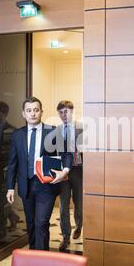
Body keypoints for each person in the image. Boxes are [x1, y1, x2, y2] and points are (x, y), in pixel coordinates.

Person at [6, 96, 72, 251]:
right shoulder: (17, 135)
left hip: (46, 185)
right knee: (30, 223)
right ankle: (34, 256)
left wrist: (65, 172)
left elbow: (67, 154)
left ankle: (41, 260)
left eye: (36, 110)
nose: (33, 114)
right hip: (26, 186)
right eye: (29, 110)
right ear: (23, 113)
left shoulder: (53, 132)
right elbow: (12, 163)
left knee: (41, 222)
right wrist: (10, 187)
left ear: (41, 112)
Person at [56, 100, 83, 251]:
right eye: (60, 112)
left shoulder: (82, 128)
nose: (64, 115)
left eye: (66, 111)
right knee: (63, 206)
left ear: (72, 111)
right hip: (63, 172)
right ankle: (65, 235)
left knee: (79, 204)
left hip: (79, 170)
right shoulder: (57, 130)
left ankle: (79, 226)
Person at [0, 101, 19, 241]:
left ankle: (1, 228)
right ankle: (13, 216)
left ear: (4, 114)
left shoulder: (12, 131)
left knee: (2, 200)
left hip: (5, 171)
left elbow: (12, 155)